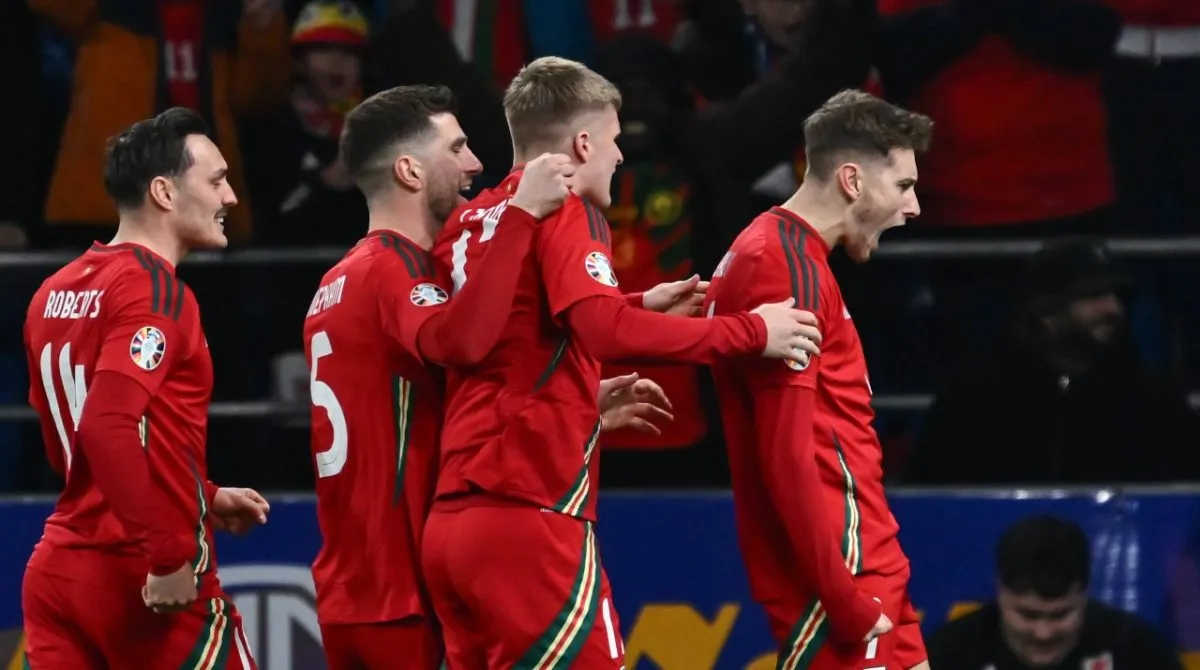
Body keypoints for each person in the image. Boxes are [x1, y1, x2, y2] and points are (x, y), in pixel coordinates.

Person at [421, 56, 824, 670]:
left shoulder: (471, 222)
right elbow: (602, 331)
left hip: (454, 521)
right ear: (583, 144)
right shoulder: (566, 209)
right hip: (528, 512)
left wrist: (634, 302)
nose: (619, 157)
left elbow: (515, 329)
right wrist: (752, 332)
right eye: (612, 140)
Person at [303, 84, 675, 670]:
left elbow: (436, 393)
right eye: (457, 148)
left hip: (350, 582)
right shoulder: (400, 273)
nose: (476, 164)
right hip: (401, 587)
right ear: (409, 170)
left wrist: (575, 394)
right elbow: (463, 342)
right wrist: (522, 216)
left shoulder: (337, 281)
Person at [21, 108, 268, 669]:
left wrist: (202, 493)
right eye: (216, 180)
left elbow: (75, 446)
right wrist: (167, 553)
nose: (230, 196)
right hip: (139, 576)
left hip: (59, 571)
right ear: (163, 191)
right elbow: (107, 426)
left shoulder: (52, 292)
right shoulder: (155, 292)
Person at [704, 89, 934, 670]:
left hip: (866, 551)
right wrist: (842, 597)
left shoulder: (779, 253)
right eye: (904, 185)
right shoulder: (783, 268)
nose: (913, 207)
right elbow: (785, 455)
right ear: (852, 180)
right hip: (842, 564)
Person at [927, 515, 1184, 670]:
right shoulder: (950, 655)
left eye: (1060, 615)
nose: (1044, 633)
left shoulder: (1137, 652)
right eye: (1028, 615)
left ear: (1084, 593)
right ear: (1000, 591)